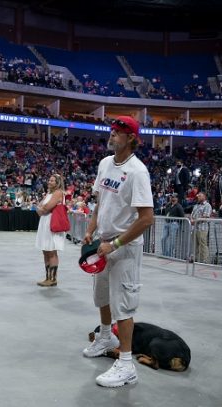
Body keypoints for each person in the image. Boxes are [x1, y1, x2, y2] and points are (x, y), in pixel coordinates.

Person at [82, 116, 154, 388]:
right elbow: (101, 201)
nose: (111, 136)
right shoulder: (104, 164)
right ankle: (104, 338)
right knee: (102, 296)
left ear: (131, 139)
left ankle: (126, 364)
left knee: (123, 305)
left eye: (117, 133)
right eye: (111, 131)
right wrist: (91, 228)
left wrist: (116, 244)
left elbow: (146, 218)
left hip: (124, 247)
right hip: (103, 242)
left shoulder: (137, 171)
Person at [35, 174, 66, 287]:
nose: (49, 182)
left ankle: (53, 279)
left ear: (57, 182)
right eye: (49, 180)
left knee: (52, 250)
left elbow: (46, 207)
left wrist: (42, 208)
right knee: (45, 250)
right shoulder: (49, 193)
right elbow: (39, 207)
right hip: (45, 222)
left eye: (52, 180)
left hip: (52, 223)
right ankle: (48, 277)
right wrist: (42, 208)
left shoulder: (58, 192)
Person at [190, 192, 212, 263]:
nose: (198, 197)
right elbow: (192, 214)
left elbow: (205, 216)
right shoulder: (196, 205)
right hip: (195, 228)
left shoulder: (207, 205)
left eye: (199, 196)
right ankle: (195, 258)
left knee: (203, 244)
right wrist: (191, 219)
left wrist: (195, 221)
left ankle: (205, 260)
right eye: (198, 196)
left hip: (202, 228)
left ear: (204, 197)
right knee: (195, 244)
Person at [161, 193, 185, 258]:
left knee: (172, 240)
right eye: (171, 197)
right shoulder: (168, 205)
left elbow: (182, 216)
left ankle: (170, 254)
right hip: (167, 223)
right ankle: (165, 254)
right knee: (163, 238)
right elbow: (165, 213)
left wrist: (177, 223)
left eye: (174, 197)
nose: (172, 198)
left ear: (177, 198)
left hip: (174, 224)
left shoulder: (179, 206)